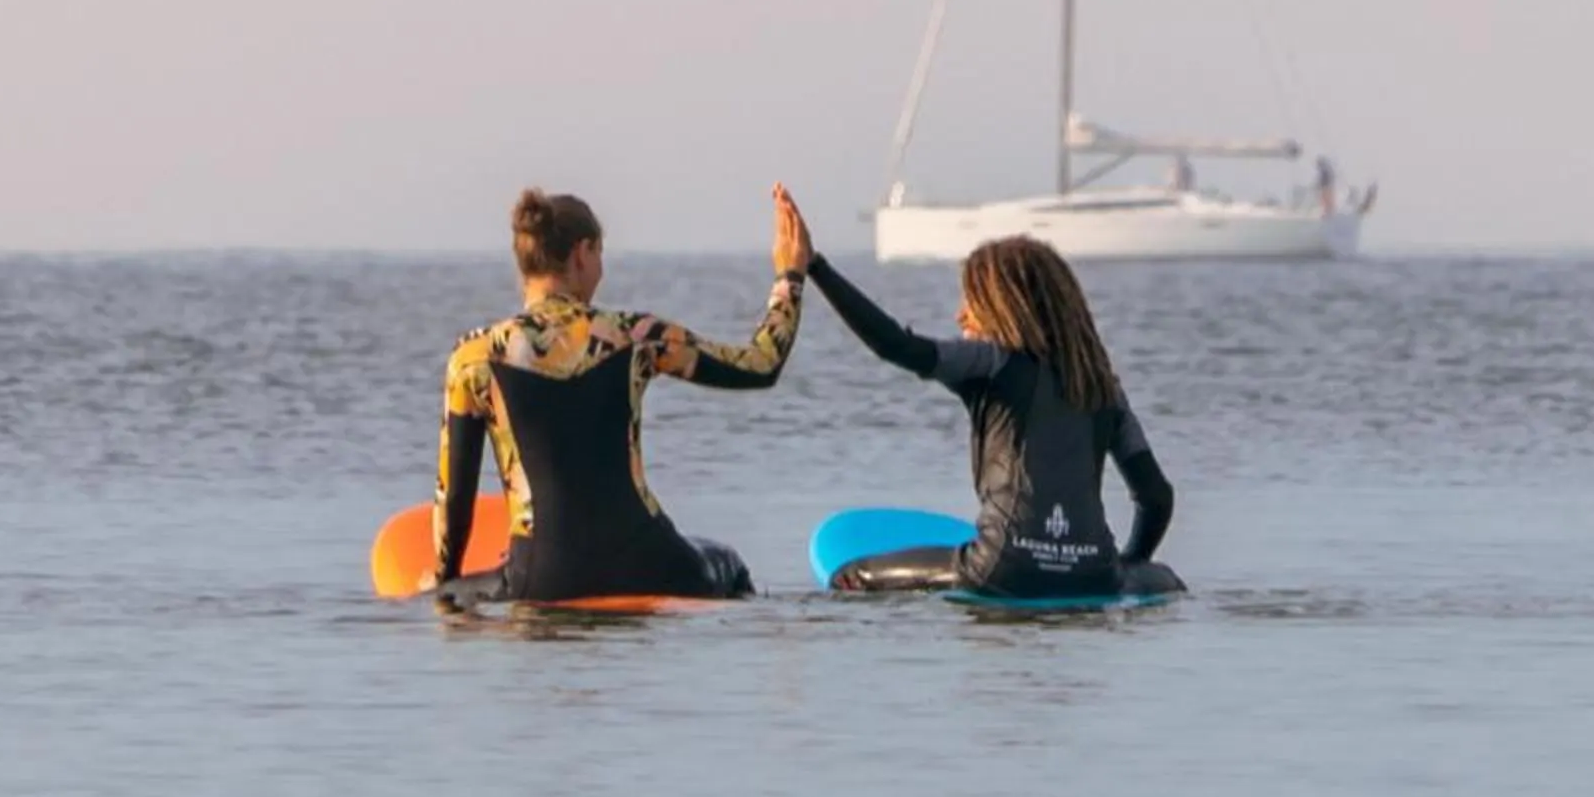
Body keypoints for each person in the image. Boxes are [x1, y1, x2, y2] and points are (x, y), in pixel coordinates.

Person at [433, 181, 812, 602]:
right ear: (583, 252)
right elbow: (760, 366)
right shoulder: (635, 337)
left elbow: (454, 502)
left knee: (454, 597)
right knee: (727, 562)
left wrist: (445, 582)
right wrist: (789, 276)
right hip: (654, 565)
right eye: (600, 255)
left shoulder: (472, 358)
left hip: (543, 579)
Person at [807, 235, 1182, 598]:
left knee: (849, 575)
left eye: (971, 302)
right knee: (1166, 579)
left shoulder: (992, 363)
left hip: (1001, 570)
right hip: (1094, 575)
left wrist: (815, 267)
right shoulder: (1103, 387)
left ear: (1004, 307)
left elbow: (897, 345)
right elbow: (1156, 498)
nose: (960, 315)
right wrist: (1126, 566)